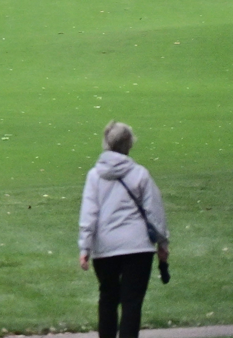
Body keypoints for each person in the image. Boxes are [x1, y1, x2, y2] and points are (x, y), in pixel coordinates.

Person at [79, 121, 169, 338]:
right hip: (138, 246)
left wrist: (85, 247)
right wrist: (163, 243)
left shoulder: (95, 176)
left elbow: (89, 214)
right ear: (129, 145)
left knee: (108, 298)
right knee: (132, 302)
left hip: (106, 247)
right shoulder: (140, 174)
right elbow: (154, 211)